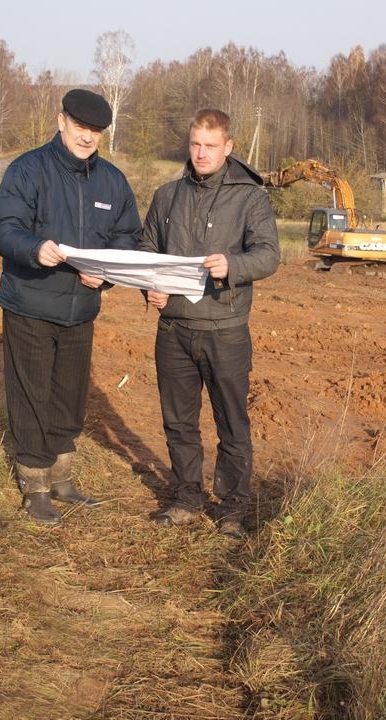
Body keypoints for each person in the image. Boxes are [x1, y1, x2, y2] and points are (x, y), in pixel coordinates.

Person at [0, 88, 141, 526]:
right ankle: (35, 486)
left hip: (81, 310)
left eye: (95, 131)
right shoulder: (28, 170)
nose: (87, 136)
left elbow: (126, 236)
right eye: (80, 127)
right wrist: (36, 249)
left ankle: (62, 478)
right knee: (31, 394)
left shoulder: (112, 181)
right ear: (61, 122)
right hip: (30, 303)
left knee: (69, 395)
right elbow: (4, 227)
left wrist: (107, 274)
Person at [139, 108, 280, 538]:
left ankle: (233, 509)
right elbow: (147, 249)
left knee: (231, 424)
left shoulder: (250, 197)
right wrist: (149, 286)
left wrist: (231, 265)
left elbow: (269, 255)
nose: (201, 154)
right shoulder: (167, 195)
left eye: (211, 146)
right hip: (174, 330)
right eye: (196, 144)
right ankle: (186, 497)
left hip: (225, 330)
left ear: (228, 147)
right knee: (178, 422)